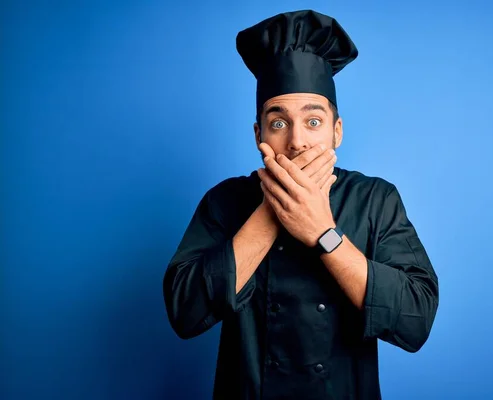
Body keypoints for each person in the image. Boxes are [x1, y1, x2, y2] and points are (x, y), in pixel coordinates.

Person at [162, 9, 439, 400]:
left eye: (313, 122)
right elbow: (184, 312)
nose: (296, 142)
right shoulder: (225, 201)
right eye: (278, 123)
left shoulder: (376, 199)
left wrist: (323, 233)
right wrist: (274, 211)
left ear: (336, 132)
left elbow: (416, 320)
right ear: (258, 133)